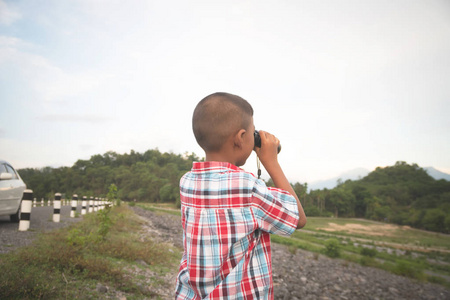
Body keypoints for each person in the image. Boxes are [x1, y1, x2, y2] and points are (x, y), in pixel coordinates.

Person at [175, 92, 307, 299]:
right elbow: (298, 218)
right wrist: (271, 162)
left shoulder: (187, 182)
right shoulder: (248, 188)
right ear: (240, 138)